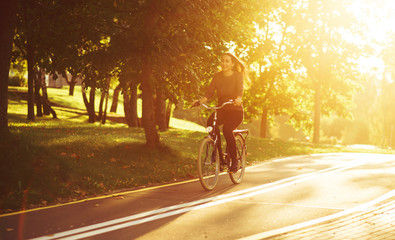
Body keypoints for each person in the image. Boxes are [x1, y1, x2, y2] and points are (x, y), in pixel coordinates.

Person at [193, 52, 248, 173]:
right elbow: (209, 93)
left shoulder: (238, 75)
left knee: (227, 130)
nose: (224, 63)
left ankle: (235, 161)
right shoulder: (217, 76)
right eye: (222, 60)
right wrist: (200, 101)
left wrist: (238, 98)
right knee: (210, 124)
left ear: (232, 63)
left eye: (227, 61)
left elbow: (240, 89)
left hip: (235, 110)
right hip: (222, 109)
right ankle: (219, 155)